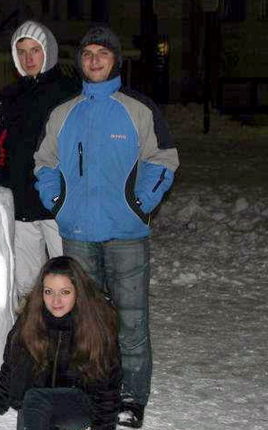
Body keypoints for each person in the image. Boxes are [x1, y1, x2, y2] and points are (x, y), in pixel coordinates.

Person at [33, 26, 180, 428]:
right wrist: (56, 201)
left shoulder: (138, 109)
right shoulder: (64, 113)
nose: (94, 59)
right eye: (87, 54)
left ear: (116, 60)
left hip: (126, 234)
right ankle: (91, 390)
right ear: (79, 61)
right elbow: (44, 161)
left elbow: (163, 157)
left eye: (103, 53)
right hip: (77, 234)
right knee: (84, 321)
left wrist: (140, 202)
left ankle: (131, 397)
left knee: (131, 321)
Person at [0, 256, 121, 430]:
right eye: (49, 291)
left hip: (77, 406)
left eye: (65, 292)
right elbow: (10, 373)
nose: (56, 300)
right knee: (32, 402)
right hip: (35, 407)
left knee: (35, 399)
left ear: (78, 292)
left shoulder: (96, 325)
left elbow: (108, 388)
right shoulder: (30, 321)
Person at [0, 20, 80, 299]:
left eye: (35, 50)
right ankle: (35, 336)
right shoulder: (8, 98)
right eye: (21, 51)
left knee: (70, 278)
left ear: (48, 51)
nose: (28, 58)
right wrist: (0, 177)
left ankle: (74, 336)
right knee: (28, 285)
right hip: (22, 203)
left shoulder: (70, 93)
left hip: (61, 206)